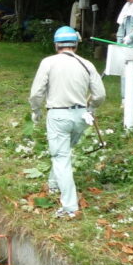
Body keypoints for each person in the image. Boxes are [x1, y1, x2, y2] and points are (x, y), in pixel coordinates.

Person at [29, 26, 106, 219]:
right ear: (76, 45)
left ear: (56, 44)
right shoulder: (87, 64)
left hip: (58, 115)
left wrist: (36, 109)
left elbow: (37, 92)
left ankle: (70, 208)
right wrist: (91, 108)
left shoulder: (48, 62)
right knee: (64, 152)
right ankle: (54, 184)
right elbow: (100, 95)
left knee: (61, 157)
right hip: (81, 116)